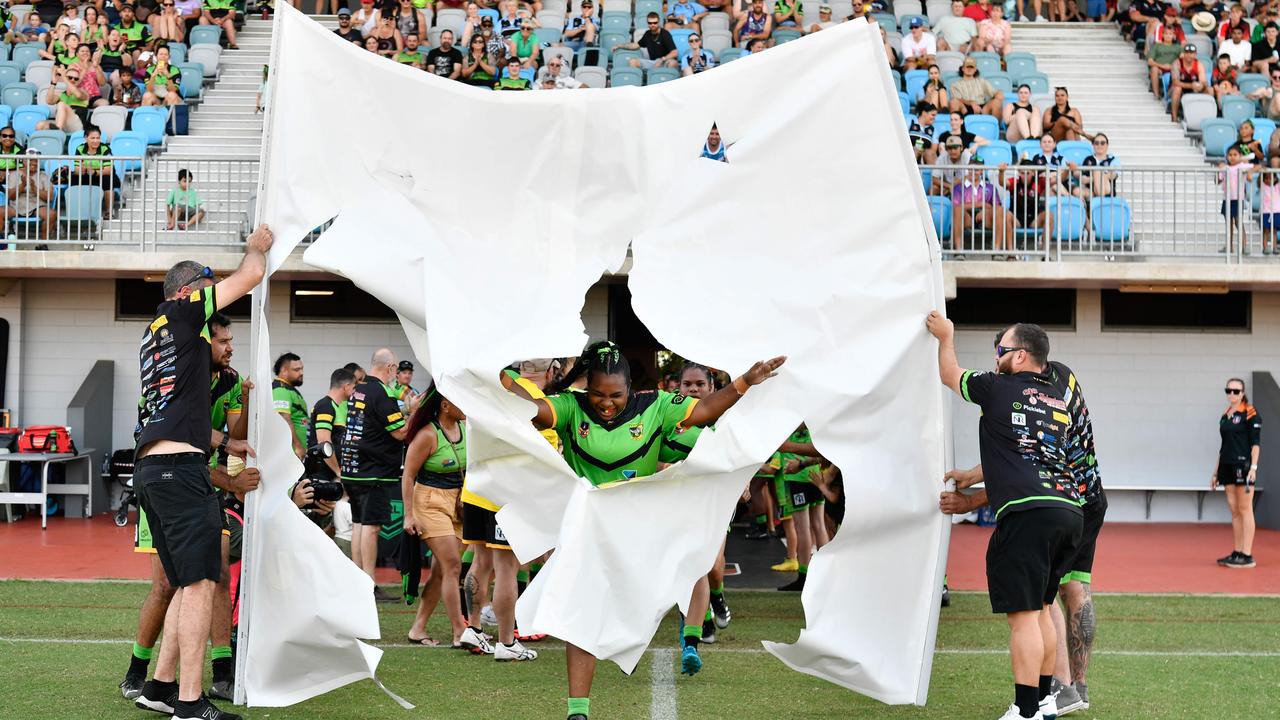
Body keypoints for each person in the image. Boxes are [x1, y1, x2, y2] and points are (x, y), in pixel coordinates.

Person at [504, 341, 785, 720]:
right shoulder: (571, 408)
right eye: (598, 394)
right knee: (579, 614)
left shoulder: (655, 406)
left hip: (639, 527)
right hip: (587, 532)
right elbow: (532, 409)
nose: (606, 403)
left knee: (660, 588)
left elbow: (703, 411)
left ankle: (687, 634)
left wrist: (745, 382)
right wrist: (496, 375)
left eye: (616, 395)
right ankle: (577, 711)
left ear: (631, 389)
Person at [129, 228, 272, 720]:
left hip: (154, 469)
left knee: (184, 580)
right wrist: (257, 243)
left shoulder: (153, 332)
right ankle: (190, 703)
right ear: (190, 290)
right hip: (177, 471)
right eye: (209, 288)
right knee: (200, 585)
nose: (218, 332)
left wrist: (226, 441)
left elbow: (178, 410)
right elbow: (251, 275)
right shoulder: (186, 311)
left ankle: (159, 687)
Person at [927, 314, 1085, 720]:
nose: (995, 357)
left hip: (1029, 516)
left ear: (1018, 356)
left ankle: (1025, 710)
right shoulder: (1054, 401)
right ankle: (1046, 700)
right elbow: (1026, 455)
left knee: (1023, 618)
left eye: (1000, 351)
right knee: (1041, 607)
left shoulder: (996, 386)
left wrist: (947, 336)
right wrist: (975, 486)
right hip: (1068, 511)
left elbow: (948, 373)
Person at [400, 389, 475, 649]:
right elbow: (408, 475)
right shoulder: (427, 434)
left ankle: (418, 628)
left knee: (442, 570)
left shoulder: (465, 429)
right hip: (429, 502)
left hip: (458, 503)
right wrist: (408, 515)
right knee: (453, 565)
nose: (466, 405)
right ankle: (459, 632)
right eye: (460, 400)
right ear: (445, 405)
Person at [340, 348, 408, 603]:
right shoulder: (381, 392)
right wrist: (412, 413)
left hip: (354, 469)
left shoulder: (359, 388)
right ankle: (368, 583)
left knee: (360, 524)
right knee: (371, 527)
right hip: (373, 471)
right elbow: (399, 432)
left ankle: (359, 580)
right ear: (390, 368)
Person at [1214, 378, 1261, 568]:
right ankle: (1237, 551)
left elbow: (1256, 444)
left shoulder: (1250, 413)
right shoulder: (1225, 415)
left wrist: (1253, 468)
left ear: (1242, 393)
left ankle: (1247, 555)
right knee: (1234, 510)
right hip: (1226, 465)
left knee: (1244, 509)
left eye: (1236, 391)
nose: (1231, 394)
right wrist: (1216, 472)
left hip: (1243, 465)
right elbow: (1223, 446)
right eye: (1229, 390)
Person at [950, 159, 1015, 258]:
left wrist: (985, 209)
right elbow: (957, 207)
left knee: (1000, 210)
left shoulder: (990, 187)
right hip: (966, 217)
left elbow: (996, 207)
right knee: (958, 210)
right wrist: (981, 204)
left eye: (976, 170)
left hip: (985, 217)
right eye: (971, 169)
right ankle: (959, 250)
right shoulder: (959, 187)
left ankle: (997, 251)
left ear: (981, 171)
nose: (973, 172)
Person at [310, 367, 356, 478]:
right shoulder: (325, 406)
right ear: (346, 387)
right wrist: (338, 472)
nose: (355, 391)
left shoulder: (338, 407)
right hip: (323, 474)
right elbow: (324, 444)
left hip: (332, 472)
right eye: (354, 387)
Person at [2, 152, 57, 240]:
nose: (34, 163)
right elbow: (10, 196)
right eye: (31, 160)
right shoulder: (14, 174)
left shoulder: (43, 176)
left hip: (37, 206)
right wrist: (22, 185)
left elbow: (50, 197)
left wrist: (34, 188)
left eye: (36, 161)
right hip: (15, 206)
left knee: (51, 214)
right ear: (24, 161)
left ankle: (42, 244)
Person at [273, 352, 309, 459]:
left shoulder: (290, 389)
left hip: (294, 453)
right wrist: (297, 446)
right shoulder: (280, 389)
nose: (301, 372)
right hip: (289, 453)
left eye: (302, 369)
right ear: (284, 370)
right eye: (296, 370)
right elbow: (284, 419)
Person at [1218, 144, 1253, 252]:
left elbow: (1255, 165)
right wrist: (1219, 169)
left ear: (1240, 156)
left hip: (1238, 199)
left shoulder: (1241, 166)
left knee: (1238, 222)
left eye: (1235, 155)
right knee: (1229, 224)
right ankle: (1229, 246)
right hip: (1227, 199)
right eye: (1230, 155)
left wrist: (1248, 170)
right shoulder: (1225, 168)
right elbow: (1218, 181)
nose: (1232, 157)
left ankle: (1244, 245)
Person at [1072, 133, 1119, 201]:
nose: (1099, 145)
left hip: (1107, 191)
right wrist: (1098, 176)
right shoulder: (1088, 159)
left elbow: (1113, 175)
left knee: (1097, 170)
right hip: (1091, 192)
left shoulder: (1113, 159)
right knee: (1077, 191)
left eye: (1102, 143)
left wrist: (1094, 176)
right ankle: (1088, 209)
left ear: (1107, 145)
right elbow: (1083, 179)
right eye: (1096, 143)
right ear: (1093, 145)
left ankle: (1100, 203)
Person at [1146, 23, 1185, 97]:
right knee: (1154, 69)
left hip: (1174, 69)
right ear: (1163, 35)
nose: (1168, 36)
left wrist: (1173, 66)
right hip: (1159, 68)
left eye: (1170, 34)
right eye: (1166, 33)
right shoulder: (1156, 46)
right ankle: (1156, 94)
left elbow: (1182, 60)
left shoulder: (1178, 47)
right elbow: (1150, 61)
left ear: (1174, 36)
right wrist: (1163, 66)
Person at [1261, 162, 1280, 255]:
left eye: (1271, 177)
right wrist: (1263, 169)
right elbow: (1259, 180)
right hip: (1266, 211)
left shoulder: (1277, 187)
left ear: (1275, 178)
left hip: (1276, 211)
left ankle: (1274, 247)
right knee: (1266, 230)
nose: (1268, 180)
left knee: (1274, 230)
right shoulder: (1263, 186)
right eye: (1266, 178)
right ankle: (1265, 247)